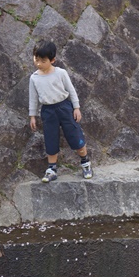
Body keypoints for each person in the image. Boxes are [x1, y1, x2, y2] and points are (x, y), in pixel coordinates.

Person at [28, 40, 92, 183]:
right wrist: (32, 116)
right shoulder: (34, 78)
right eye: (36, 59)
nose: (38, 63)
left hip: (64, 107)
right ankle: (52, 169)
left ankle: (85, 162)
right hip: (47, 111)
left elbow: (71, 90)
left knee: (74, 134)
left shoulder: (61, 73)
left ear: (52, 60)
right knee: (50, 138)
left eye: (43, 61)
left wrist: (76, 107)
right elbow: (33, 98)